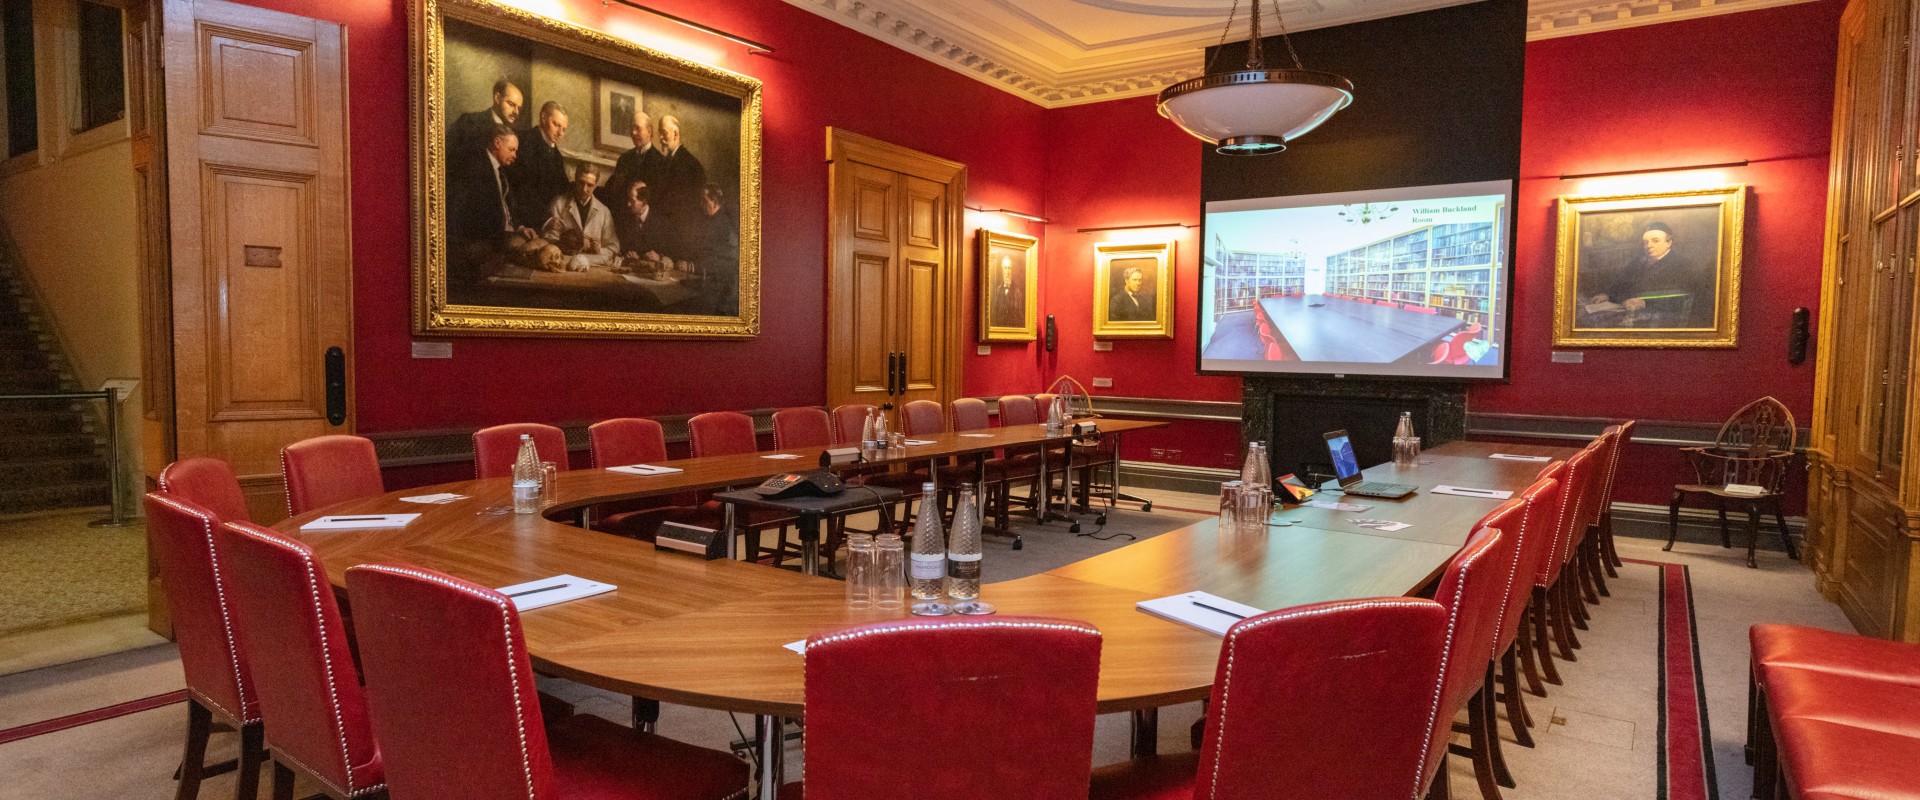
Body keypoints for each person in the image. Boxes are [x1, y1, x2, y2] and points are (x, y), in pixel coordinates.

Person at [446, 124, 540, 282]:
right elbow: (464, 213)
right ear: (497, 143)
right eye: (512, 149)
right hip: (483, 241)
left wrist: (520, 227)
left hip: (501, 237)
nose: (515, 155)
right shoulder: (475, 168)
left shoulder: (501, 171)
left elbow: (505, 208)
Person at [1586, 221, 1716, 328]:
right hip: (1629, 311)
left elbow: (1683, 298)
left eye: (1655, 241)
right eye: (1645, 242)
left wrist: (1645, 303)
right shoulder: (1638, 261)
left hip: (1662, 320)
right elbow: (1622, 282)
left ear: (1668, 242)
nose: (1649, 246)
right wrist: (1608, 295)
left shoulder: (1683, 265)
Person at [508, 101, 571, 229]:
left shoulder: (557, 156)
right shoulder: (523, 141)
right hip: (521, 221)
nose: (560, 133)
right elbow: (521, 189)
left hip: (546, 222)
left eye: (564, 129)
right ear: (543, 118)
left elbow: (562, 190)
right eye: (556, 125)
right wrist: (546, 219)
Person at [542, 166, 619, 270]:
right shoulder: (558, 204)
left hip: (593, 268)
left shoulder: (604, 211)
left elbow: (613, 248)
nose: (584, 189)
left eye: (590, 185)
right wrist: (570, 244)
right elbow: (548, 240)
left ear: (596, 185)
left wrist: (599, 250)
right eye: (581, 183)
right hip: (562, 265)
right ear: (575, 180)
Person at [652, 114, 707, 258]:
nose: (660, 138)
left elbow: (693, 213)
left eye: (664, 133)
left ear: (675, 133)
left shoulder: (692, 165)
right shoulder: (664, 163)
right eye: (660, 134)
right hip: (665, 238)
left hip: (682, 242)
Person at [598, 110, 664, 218]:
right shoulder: (624, 158)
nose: (633, 133)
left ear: (649, 131)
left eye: (637, 128)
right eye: (632, 128)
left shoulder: (661, 162)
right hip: (622, 219)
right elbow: (612, 190)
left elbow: (658, 202)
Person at [449, 79, 524, 160]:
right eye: (511, 104)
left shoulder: (516, 134)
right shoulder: (470, 121)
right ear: (497, 98)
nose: (516, 112)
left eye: (518, 108)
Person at [613, 180, 668, 268]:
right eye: (628, 199)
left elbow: (668, 254)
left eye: (632, 200)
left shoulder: (661, 222)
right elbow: (620, 248)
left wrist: (659, 257)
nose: (628, 204)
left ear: (644, 202)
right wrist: (628, 254)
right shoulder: (625, 219)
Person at [989, 256, 1024, 327]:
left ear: (1012, 270)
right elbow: (993, 315)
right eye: (1005, 268)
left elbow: (1021, 318)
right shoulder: (997, 291)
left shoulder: (1018, 292)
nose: (1007, 272)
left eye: (1009, 268)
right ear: (1002, 270)